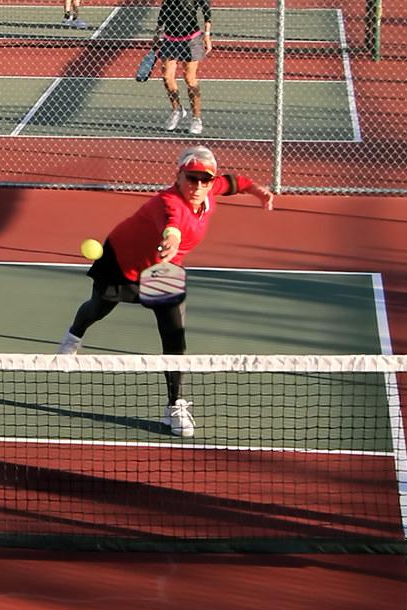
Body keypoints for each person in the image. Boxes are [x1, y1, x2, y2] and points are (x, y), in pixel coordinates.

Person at [56, 145, 273, 437]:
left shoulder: (209, 191)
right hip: (122, 262)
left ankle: (174, 406)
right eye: (192, 178)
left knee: (174, 336)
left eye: (205, 180)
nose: (198, 186)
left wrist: (258, 192)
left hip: (163, 269)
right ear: (179, 176)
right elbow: (172, 225)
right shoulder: (167, 202)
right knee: (98, 308)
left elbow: (235, 182)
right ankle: (73, 337)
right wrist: (172, 239)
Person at [154, 0, 211, 135]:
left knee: (190, 79)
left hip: (191, 39)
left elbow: (206, 11)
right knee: (167, 77)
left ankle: (196, 118)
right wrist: (157, 32)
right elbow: (164, 11)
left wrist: (207, 36)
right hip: (170, 39)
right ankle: (177, 110)